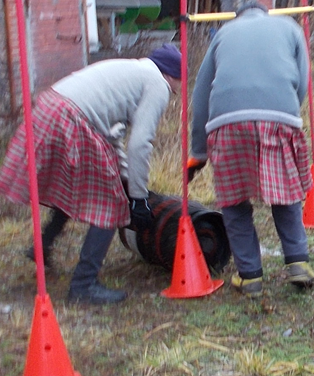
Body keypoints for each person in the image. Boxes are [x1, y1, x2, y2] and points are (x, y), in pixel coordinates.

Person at [0, 44, 182, 304]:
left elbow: (111, 137)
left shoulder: (132, 70)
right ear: (172, 75)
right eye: (179, 81)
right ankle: (83, 285)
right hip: (70, 117)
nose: (177, 88)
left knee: (80, 184)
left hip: (50, 107)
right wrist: (138, 198)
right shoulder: (157, 85)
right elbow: (140, 144)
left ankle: (43, 245)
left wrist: (126, 179)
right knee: (110, 202)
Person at [188, 1, 314, 297]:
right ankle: (298, 262)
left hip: (227, 122)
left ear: (238, 16)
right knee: (286, 194)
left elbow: (201, 94)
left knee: (234, 203)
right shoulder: (290, 27)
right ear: (266, 13)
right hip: (280, 117)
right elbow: (302, 80)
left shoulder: (223, 33)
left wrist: (198, 151)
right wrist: (286, 112)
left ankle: (250, 277)